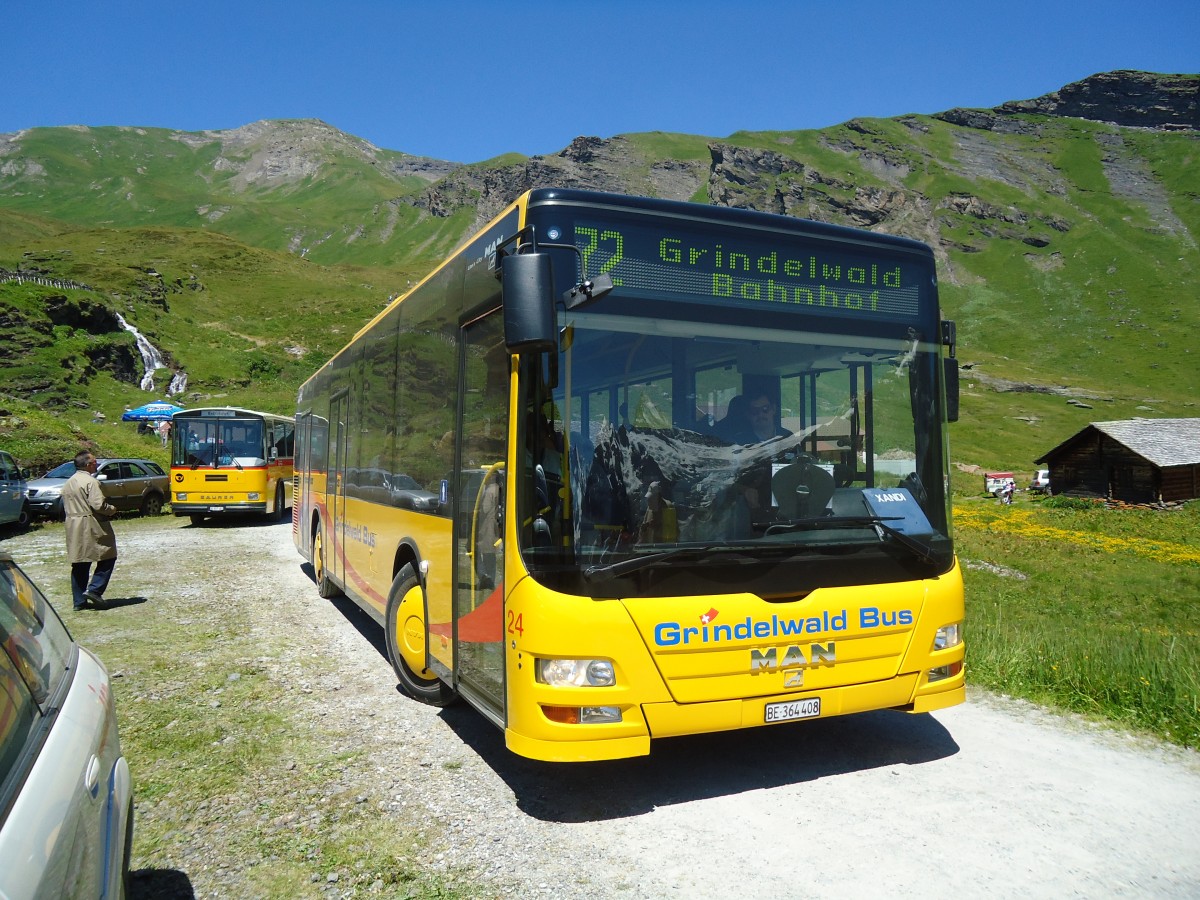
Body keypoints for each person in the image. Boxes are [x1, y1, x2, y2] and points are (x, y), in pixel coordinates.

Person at [62, 450, 119, 610]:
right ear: (87, 465)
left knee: (80, 562)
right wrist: (112, 509)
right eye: (94, 462)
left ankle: (79, 602)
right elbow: (98, 505)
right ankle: (95, 590)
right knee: (108, 555)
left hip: (73, 523)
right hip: (90, 523)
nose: (97, 464)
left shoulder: (69, 482)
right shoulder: (90, 482)